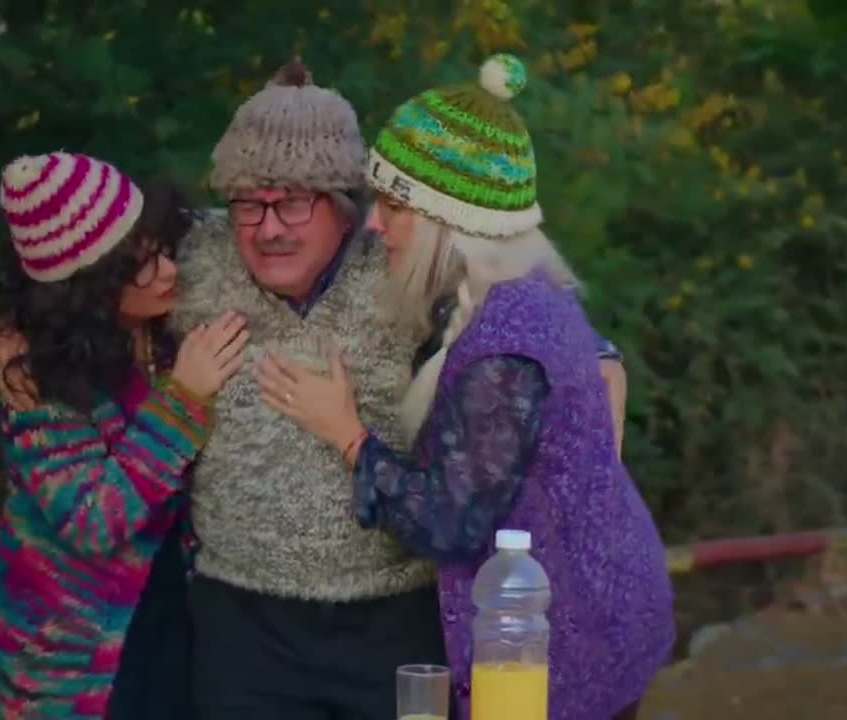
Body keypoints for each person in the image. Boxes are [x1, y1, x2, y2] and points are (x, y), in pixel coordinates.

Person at [0, 61, 629, 719]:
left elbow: (516, 306)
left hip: (393, 621)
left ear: (344, 203)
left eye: (294, 200)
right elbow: (88, 276)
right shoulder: (191, 260)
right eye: (248, 202)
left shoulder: (405, 262)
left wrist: (596, 358)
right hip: (240, 630)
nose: (269, 227)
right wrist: (18, 336)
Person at [253, 55, 675, 720]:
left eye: (395, 206)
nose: (375, 224)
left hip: (565, 649)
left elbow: (448, 522)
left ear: (448, 222)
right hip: (601, 612)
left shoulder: (505, 350)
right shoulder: (517, 291)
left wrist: (346, 434)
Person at [0, 151, 248, 719]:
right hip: (72, 662)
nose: (167, 271)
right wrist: (183, 400)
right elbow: (94, 520)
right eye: (139, 265)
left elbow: (242, 227)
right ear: (90, 286)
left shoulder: (159, 328)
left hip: (171, 618)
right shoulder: (37, 379)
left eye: (162, 249)